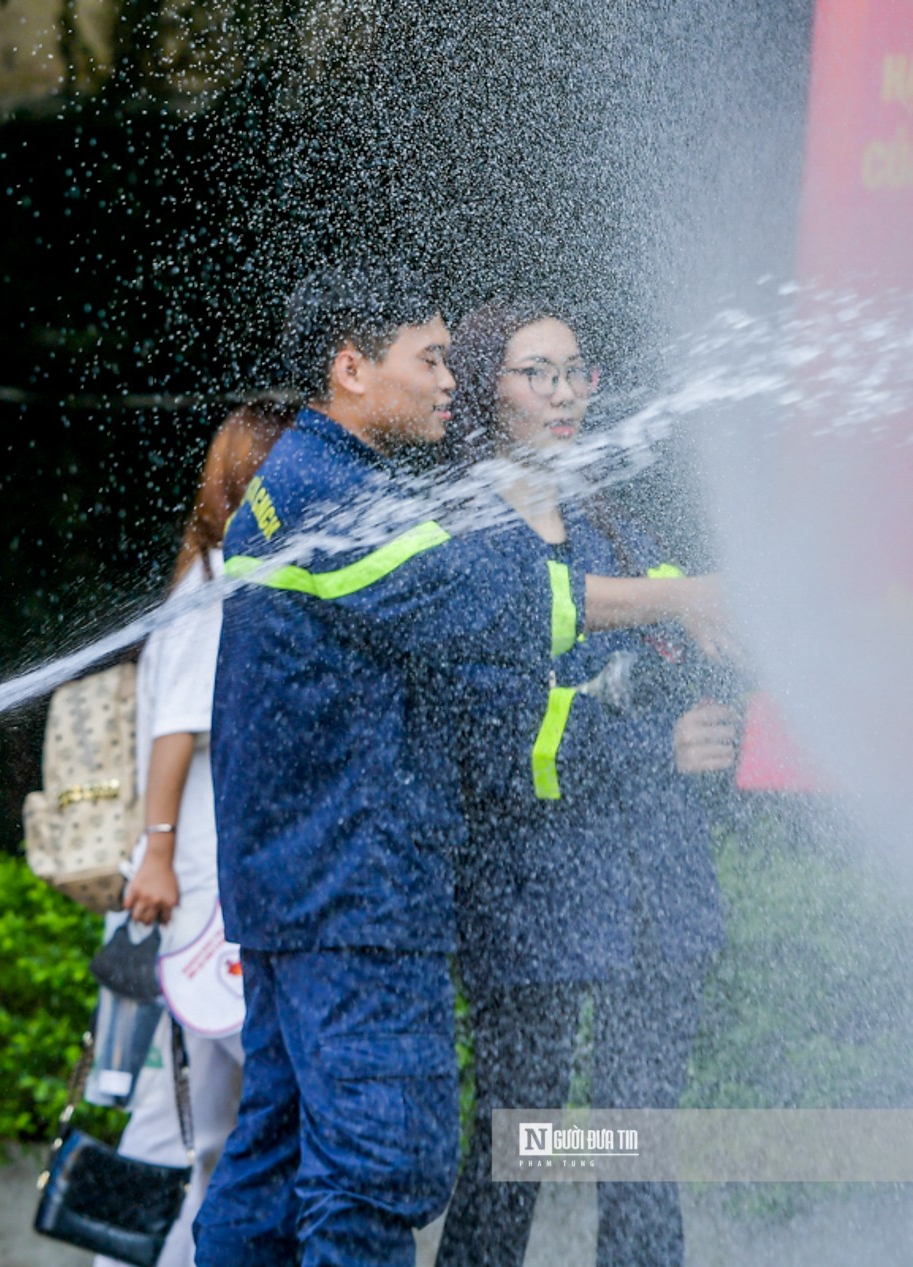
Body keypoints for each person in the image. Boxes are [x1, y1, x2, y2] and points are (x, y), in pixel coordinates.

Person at [195, 265, 733, 1267]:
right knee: (379, 1165)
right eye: (430, 358)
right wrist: (676, 608)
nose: (448, 379)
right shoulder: (332, 496)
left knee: (272, 1161)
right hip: (358, 895)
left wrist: (688, 610)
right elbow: (490, 604)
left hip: (321, 894)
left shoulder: (331, 486)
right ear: (351, 367)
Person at [434, 301, 729, 1267]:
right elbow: (498, 731)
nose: (564, 393)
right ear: (488, 388)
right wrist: (651, 743)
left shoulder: (614, 523)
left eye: (575, 371)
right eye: (536, 372)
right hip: (533, 891)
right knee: (518, 1138)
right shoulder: (466, 538)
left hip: (651, 887)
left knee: (637, 1136)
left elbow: (694, 641)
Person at [93, 403, 288, 1267]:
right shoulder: (218, 583)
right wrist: (161, 856)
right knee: (181, 1121)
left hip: (191, 881)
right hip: (190, 886)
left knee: (188, 1116)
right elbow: (176, 731)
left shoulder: (206, 575)